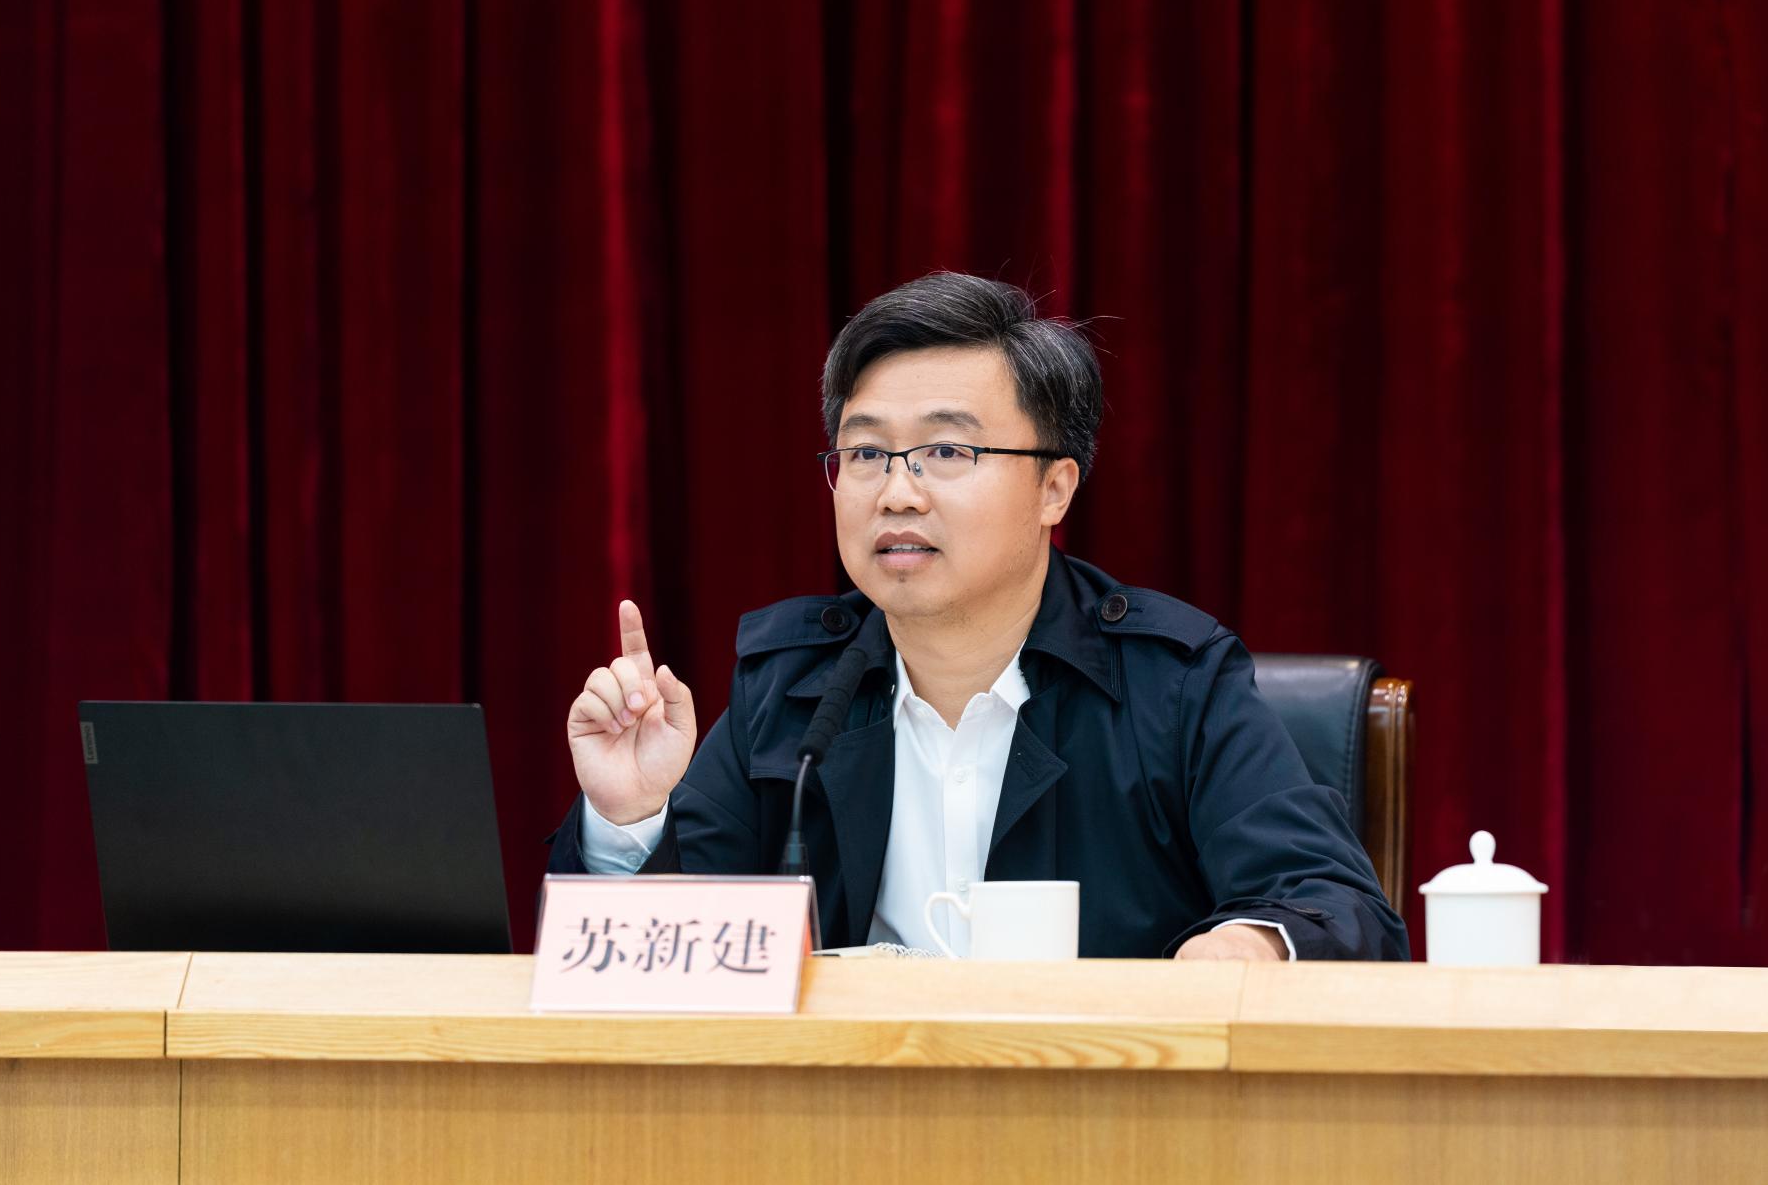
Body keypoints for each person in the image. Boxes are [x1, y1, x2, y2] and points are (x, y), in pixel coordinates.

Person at [546, 272, 1407, 961]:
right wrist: (629, 820)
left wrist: (1246, 947)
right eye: (866, 451)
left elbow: (1334, 904)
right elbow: (661, 961)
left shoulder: (1173, 684)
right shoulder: (793, 687)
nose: (897, 491)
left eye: (947, 450)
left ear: (1054, 487)